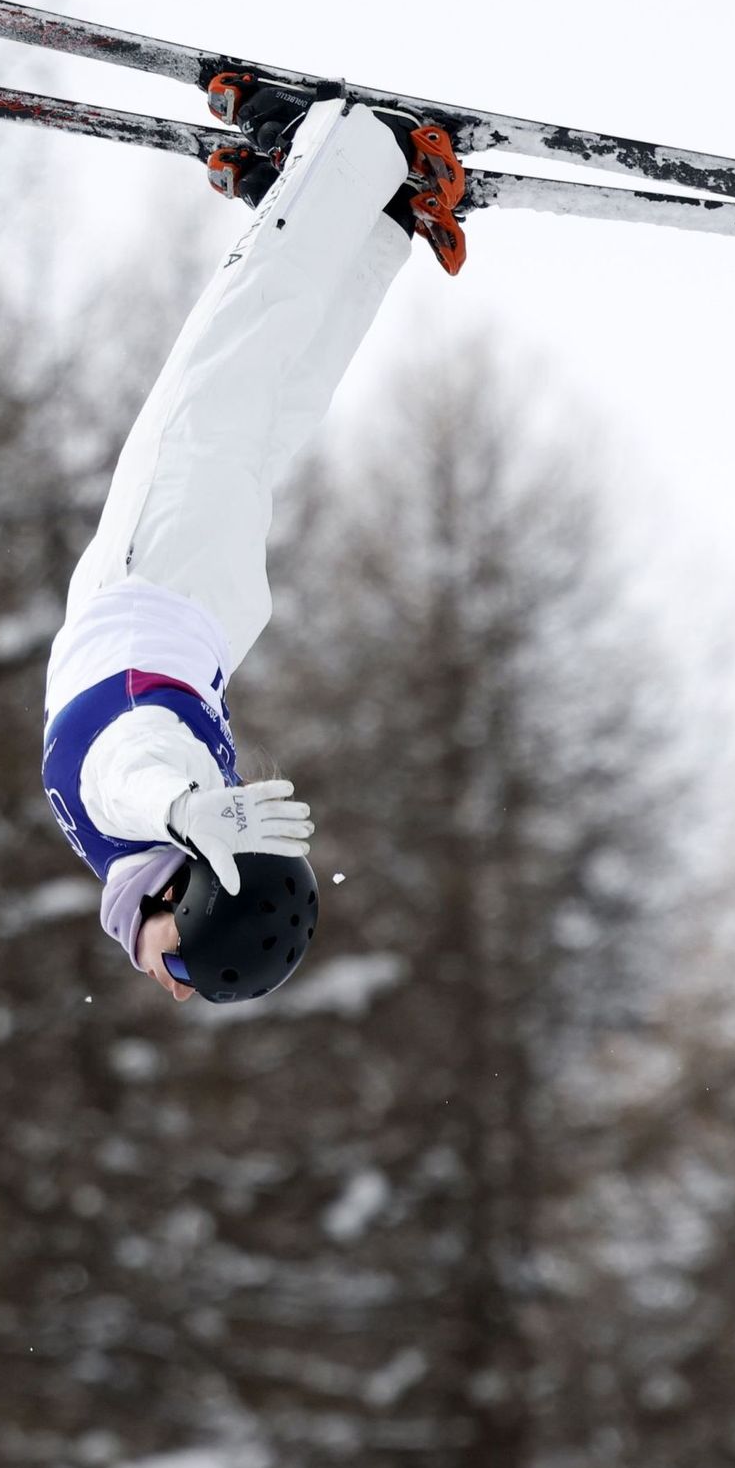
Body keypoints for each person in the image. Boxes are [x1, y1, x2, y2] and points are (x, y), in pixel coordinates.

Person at [40, 76, 466, 1005]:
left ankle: (379, 217)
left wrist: (187, 812)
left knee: (272, 398)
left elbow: (141, 774)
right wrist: (184, 811)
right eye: (187, 966)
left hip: (203, 619)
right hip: (157, 581)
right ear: (189, 907)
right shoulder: (149, 817)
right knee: (228, 363)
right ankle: (344, 156)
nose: (174, 988)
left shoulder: (151, 840)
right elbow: (129, 770)